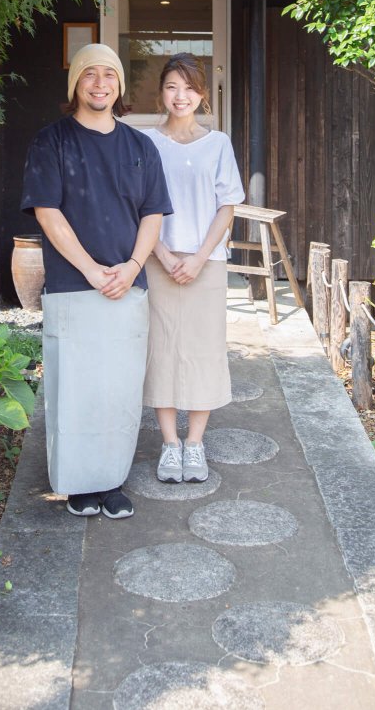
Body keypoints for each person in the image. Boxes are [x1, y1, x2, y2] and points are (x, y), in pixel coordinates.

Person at [20, 43, 172, 519]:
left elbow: (153, 214)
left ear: (120, 85)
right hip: (72, 285)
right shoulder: (52, 141)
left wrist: (130, 267)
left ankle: (111, 482)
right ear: (76, 84)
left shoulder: (140, 146)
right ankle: (77, 484)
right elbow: (48, 211)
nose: (100, 83)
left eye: (109, 74)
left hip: (128, 287)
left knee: (118, 392)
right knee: (76, 390)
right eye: (90, 74)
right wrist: (89, 268)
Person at [141, 53, 245, 484]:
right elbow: (138, 206)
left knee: (203, 350)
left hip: (207, 263)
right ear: (161, 92)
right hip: (156, 259)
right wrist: (162, 254)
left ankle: (196, 444)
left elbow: (227, 205)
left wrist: (200, 256)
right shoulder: (145, 142)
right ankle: (169, 445)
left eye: (188, 88)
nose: (179, 96)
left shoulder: (217, 143)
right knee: (161, 350)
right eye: (171, 86)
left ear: (202, 94)